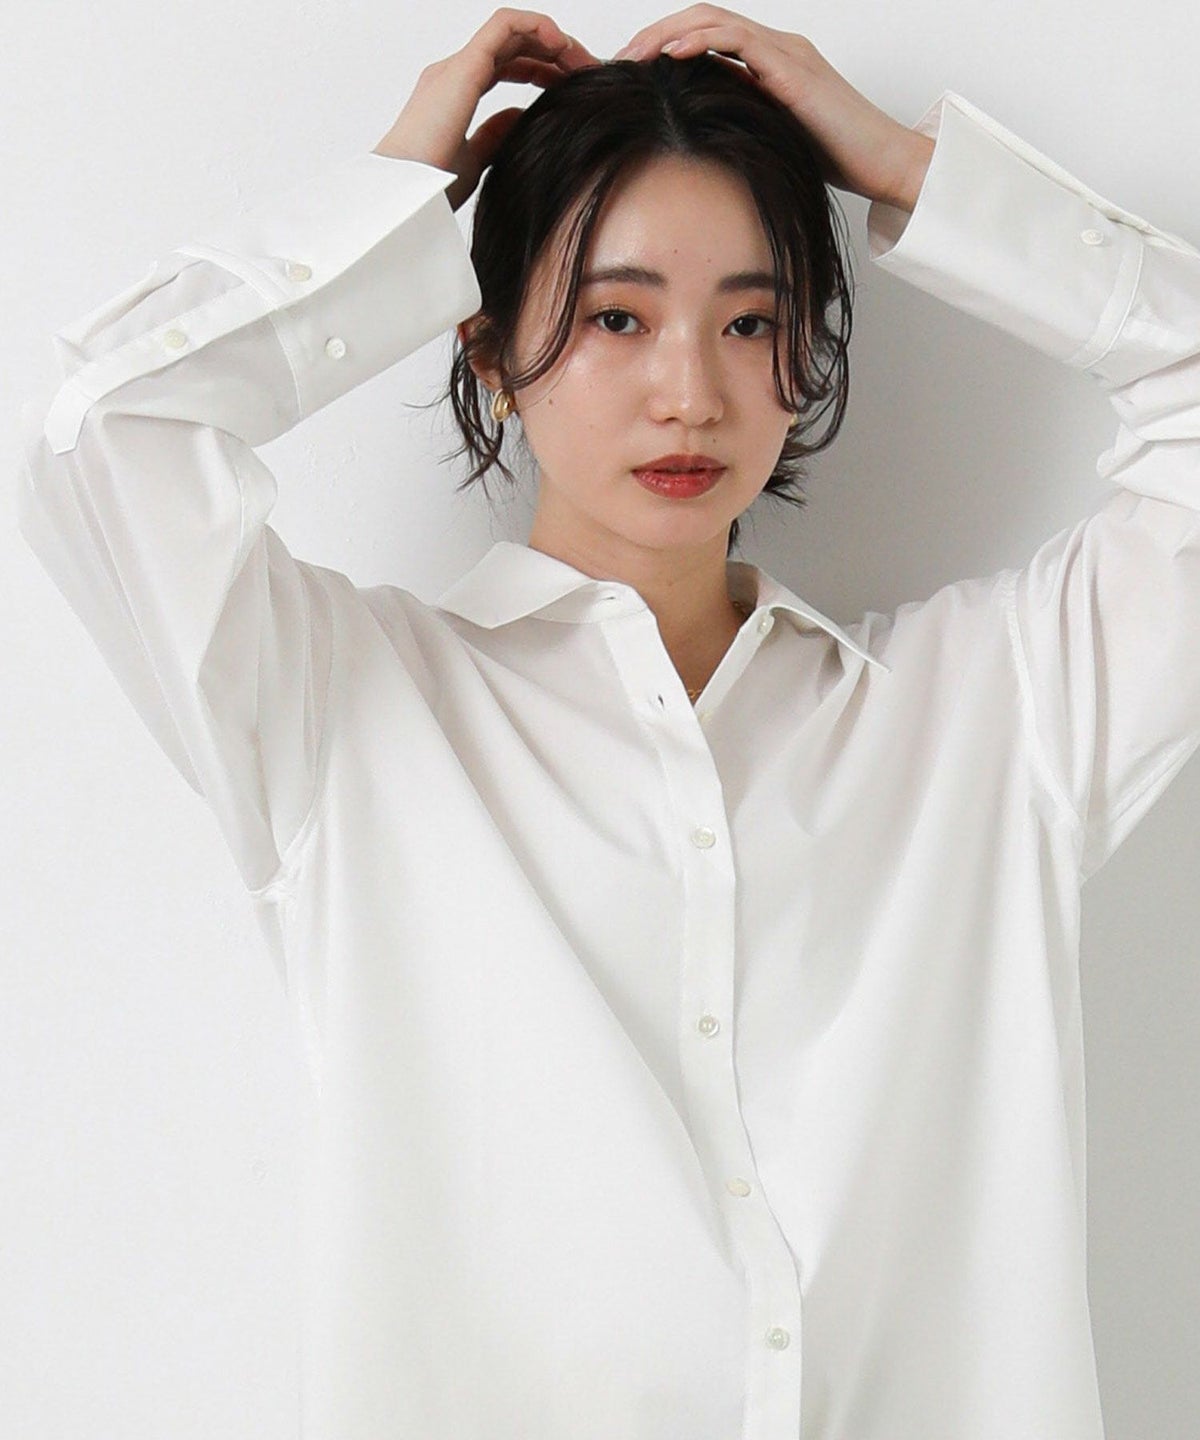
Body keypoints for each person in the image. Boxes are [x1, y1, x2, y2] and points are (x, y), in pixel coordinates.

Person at [15, 6, 1200, 1437]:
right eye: (614, 317)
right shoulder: (345, 712)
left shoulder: (994, 713)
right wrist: (400, 194)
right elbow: (107, 439)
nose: (689, 393)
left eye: (749, 321)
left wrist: (907, 171)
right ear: (488, 347)